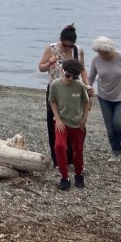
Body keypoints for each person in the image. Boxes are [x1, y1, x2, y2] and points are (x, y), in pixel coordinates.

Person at [38, 24, 90, 166]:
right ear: (60, 40)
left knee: (74, 121)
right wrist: (49, 63)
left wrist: (87, 85)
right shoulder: (52, 48)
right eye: (64, 45)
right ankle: (57, 158)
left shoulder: (78, 51)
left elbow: (82, 70)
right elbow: (41, 68)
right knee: (54, 122)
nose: (67, 48)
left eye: (69, 46)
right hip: (55, 89)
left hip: (73, 90)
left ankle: (71, 156)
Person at [88, 36, 121, 160]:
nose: (100, 54)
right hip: (104, 96)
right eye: (98, 52)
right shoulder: (96, 60)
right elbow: (90, 77)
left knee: (119, 123)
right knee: (110, 128)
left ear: (108, 50)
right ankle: (116, 151)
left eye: (102, 52)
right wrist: (87, 91)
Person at [48, 59, 90, 190]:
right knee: (59, 146)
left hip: (77, 123)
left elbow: (86, 102)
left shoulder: (80, 85)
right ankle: (64, 176)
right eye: (67, 75)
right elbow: (53, 101)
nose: (70, 79)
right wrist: (57, 119)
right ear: (62, 71)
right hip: (62, 121)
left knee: (78, 149)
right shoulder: (55, 85)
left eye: (74, 77)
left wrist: (84, 118)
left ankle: (78, 173)